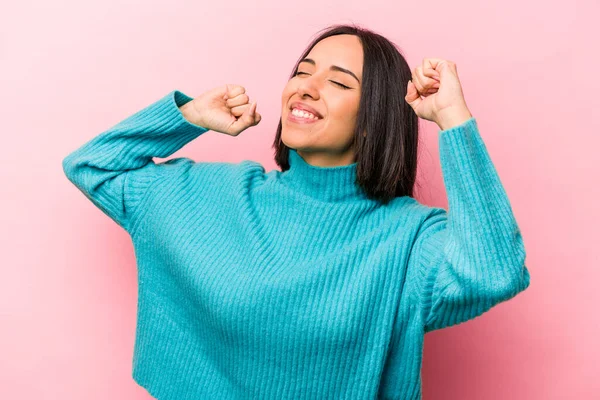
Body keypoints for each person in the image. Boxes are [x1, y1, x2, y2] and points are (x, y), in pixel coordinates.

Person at [62, 23, 530, 400]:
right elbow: (92, 167)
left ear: (374, 120)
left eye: (338, 82)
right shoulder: (210, 194)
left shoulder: (408, 239)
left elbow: (493, 273)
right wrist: (187, 118)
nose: (307, 87)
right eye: (304, 71)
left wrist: (453, 119)